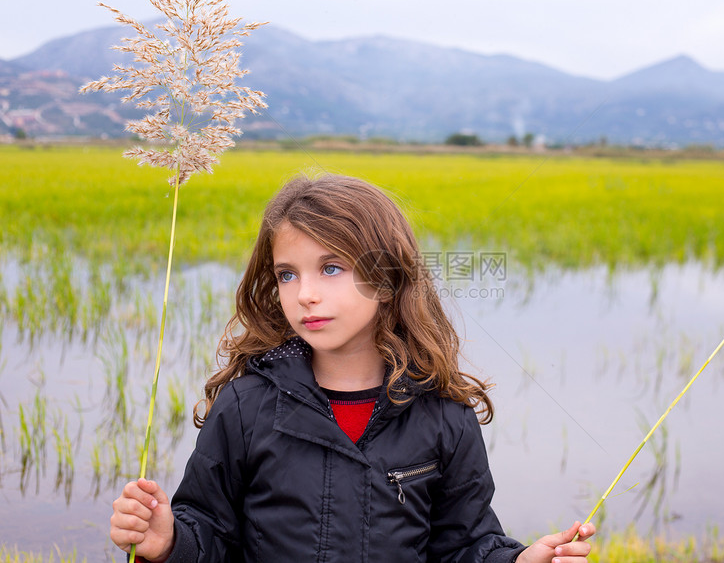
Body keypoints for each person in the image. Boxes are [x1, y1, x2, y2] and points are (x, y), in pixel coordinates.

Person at [109, 173, 596, 562]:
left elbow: (465, 545)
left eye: (331, 268)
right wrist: (170, 540)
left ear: (386, 280)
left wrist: (518, 561)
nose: (305, 294)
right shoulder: (245, 406)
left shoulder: (444, 416)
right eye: (287, 274)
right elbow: (211, 532)